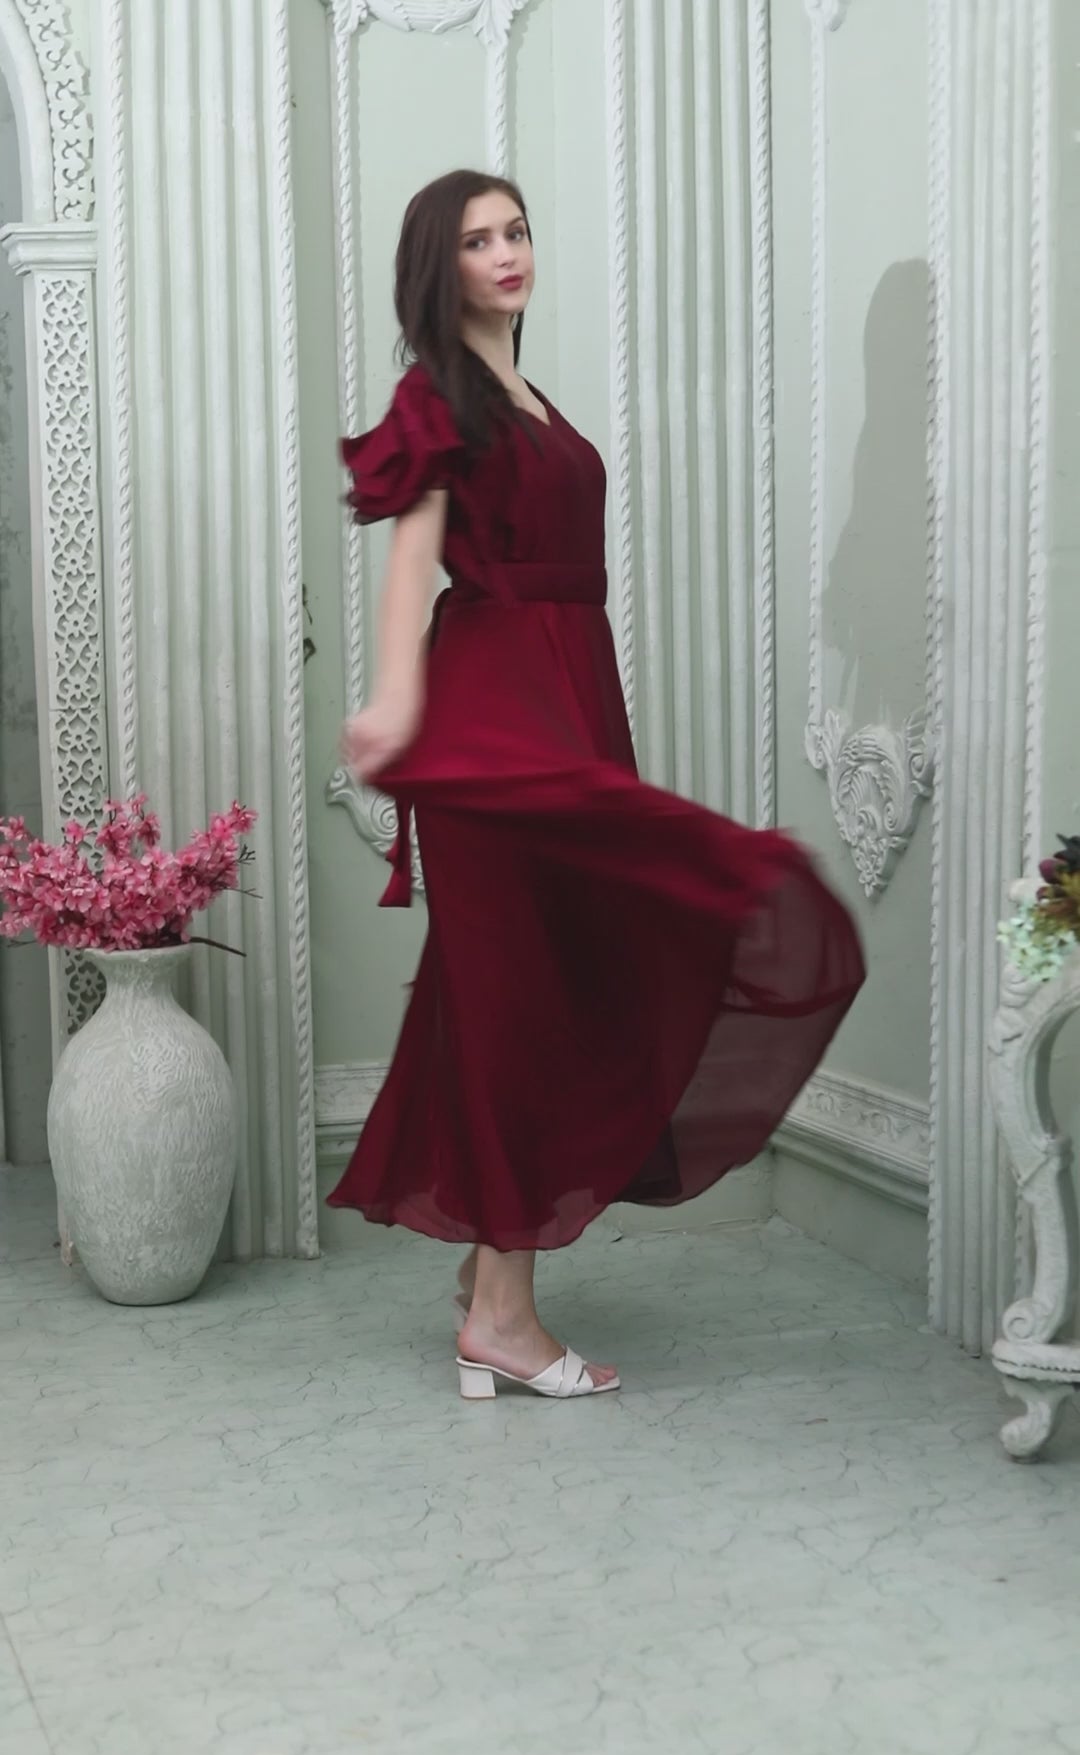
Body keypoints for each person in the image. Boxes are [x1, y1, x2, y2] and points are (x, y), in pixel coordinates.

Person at [329, 170, 865, 1402]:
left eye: (516, 230)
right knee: (526, 1001)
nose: (507, 252)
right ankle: (504, 1320)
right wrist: (396, 704)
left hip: (565, 700)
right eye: (479, 239)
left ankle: (486, 1281)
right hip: (496, 716)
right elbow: (414, 563)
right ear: (441, 265)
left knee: (523, 990)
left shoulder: (526, 394)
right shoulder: (441, 396)